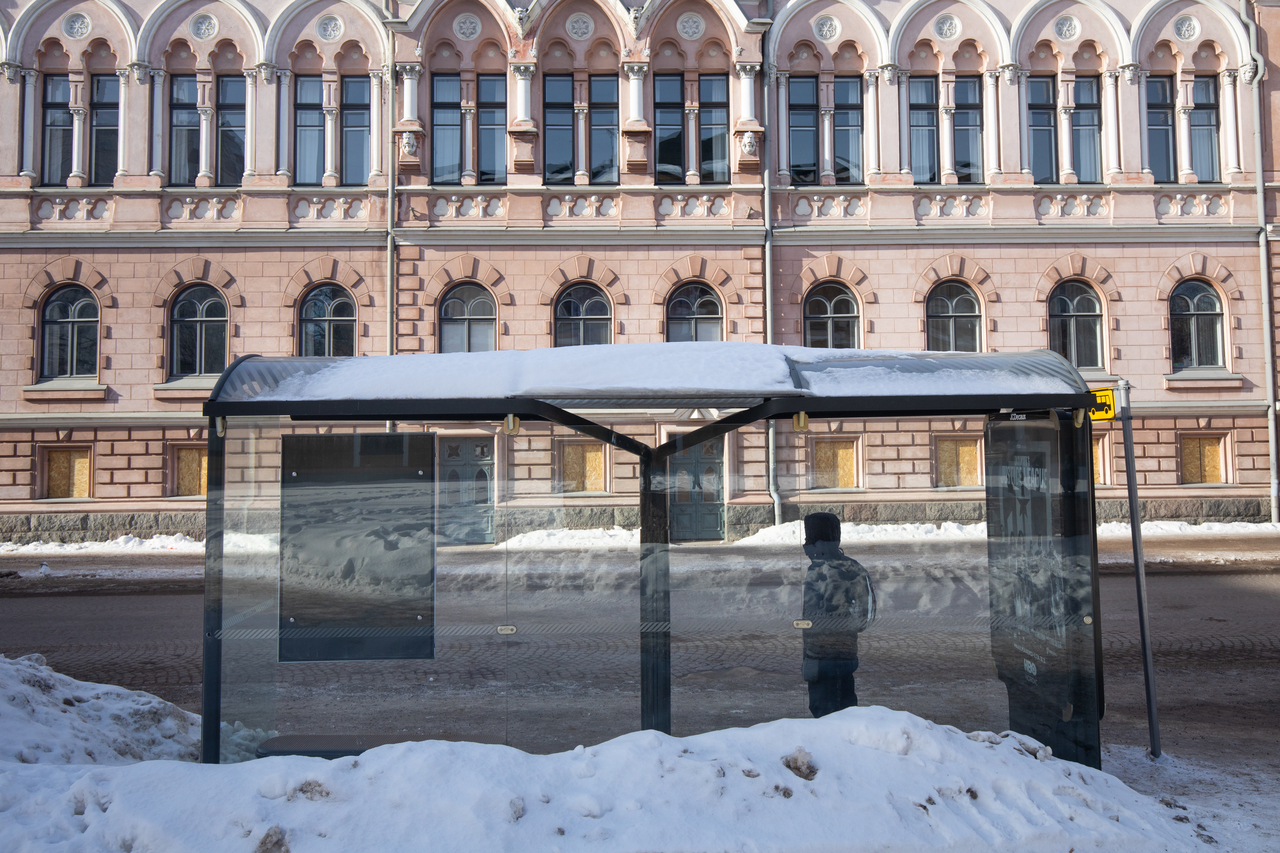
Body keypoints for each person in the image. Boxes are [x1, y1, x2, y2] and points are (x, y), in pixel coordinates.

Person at [801, 512, 876, 717]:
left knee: (826, 714)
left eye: (809, 538)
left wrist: (825, 626)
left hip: (822, 657)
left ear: (818, 541)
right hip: (839, 656)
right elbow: (865, 617)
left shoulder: (820, 570)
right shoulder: (851, 568)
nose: (805, 544)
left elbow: (864, 617)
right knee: (845, 713)